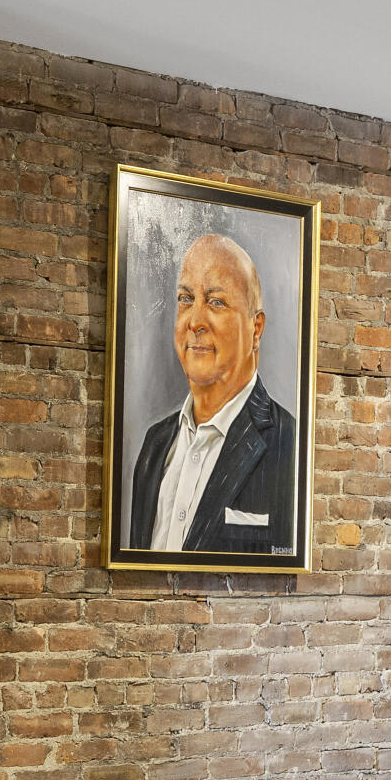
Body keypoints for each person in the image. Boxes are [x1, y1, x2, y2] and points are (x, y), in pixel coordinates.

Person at [124, 232, 299, 555]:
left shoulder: (289, 445)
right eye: (186, 299)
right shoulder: (155, 444)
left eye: (216, 302)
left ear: (256, 329)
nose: (195, 321)